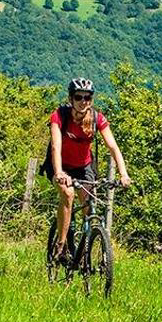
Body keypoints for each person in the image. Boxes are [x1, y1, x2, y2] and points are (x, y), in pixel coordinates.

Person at [47, 78, 131, 263]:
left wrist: (123, 174)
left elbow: (113, 147)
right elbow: (56, 147)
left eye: (88, 97)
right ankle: (61, 245)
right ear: (71, 98)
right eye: (78, 97)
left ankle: (85, 250)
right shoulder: (60, 115)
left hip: (84, 167)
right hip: (61, 165)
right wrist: (60, 173)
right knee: (67, 194)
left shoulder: (96, 118)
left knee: (88, 206)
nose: (83, 101)